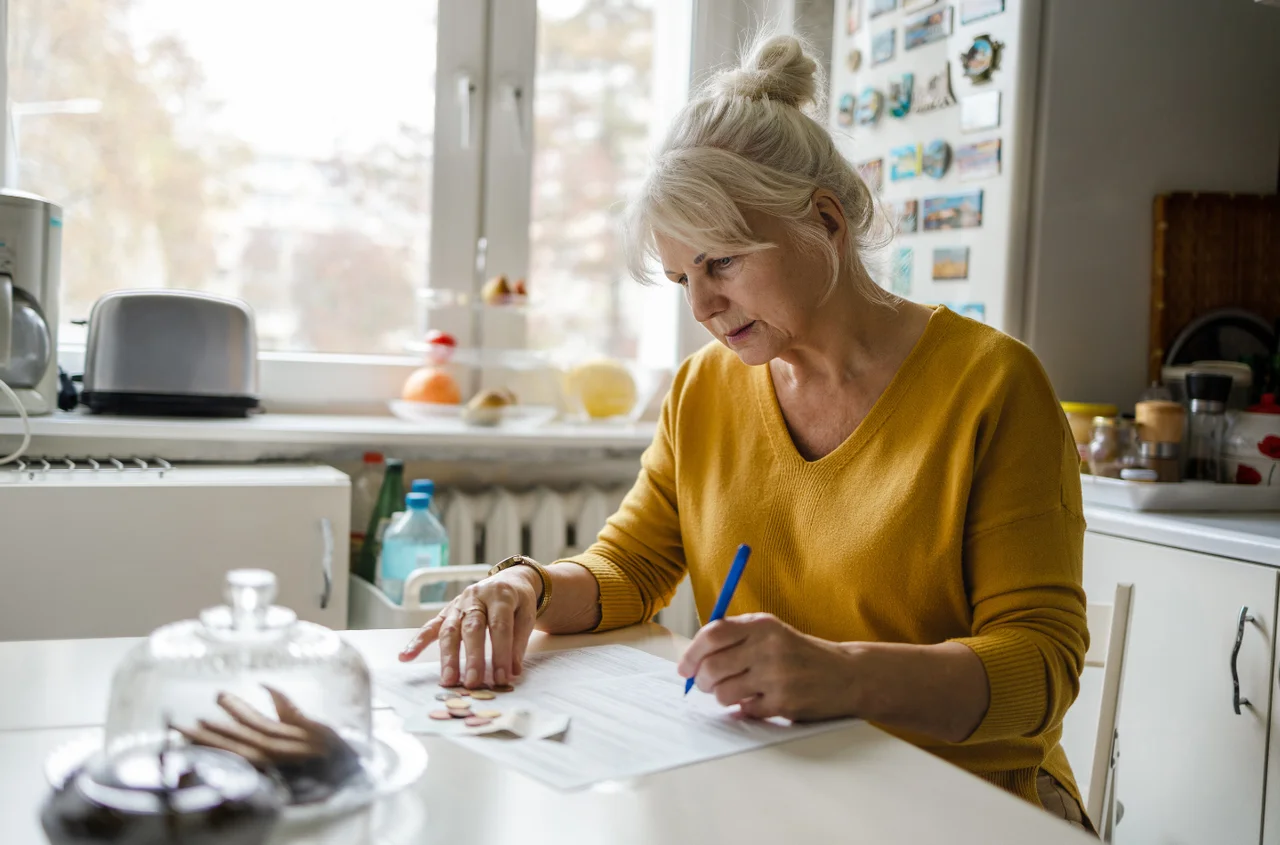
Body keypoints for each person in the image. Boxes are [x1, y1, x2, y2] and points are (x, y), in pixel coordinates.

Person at [399, 33, 1091, 832]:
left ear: (825, 222)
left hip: (969, 803)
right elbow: (629, 566)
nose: (701, 307)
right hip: (787, 786)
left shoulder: (992, 385)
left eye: (721, 262)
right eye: (682, 278)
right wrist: (526, 586)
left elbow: (1041, 670)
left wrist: (845, 674)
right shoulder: (702, 389)